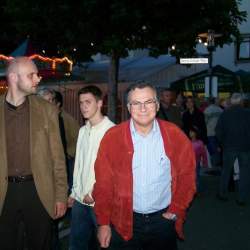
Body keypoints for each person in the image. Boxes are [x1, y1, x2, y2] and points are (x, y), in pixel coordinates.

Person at [93, 82, 196, 250]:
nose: (142, 108)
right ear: (128, 107)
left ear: (156, 105)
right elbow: (103, 184)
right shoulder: (112, 138)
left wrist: (176, 208)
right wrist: (103, 223)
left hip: (163, 221)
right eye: (136, 103)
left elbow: (187, 176)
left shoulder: (175, 135)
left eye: (148, 102)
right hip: (124, 220)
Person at [0, 57, 68, 249]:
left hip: (38, 192)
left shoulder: (47, 110)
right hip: (4, 193)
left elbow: (58, 157)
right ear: (13, 77)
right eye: (32, 75)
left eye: (37, 74)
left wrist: (60, 195)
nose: (38, 79)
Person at [68, 85, 115, 250]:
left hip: (100, 203)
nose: (83, 106)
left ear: (100, 103)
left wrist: (94, 191)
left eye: (88, 102)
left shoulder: (112, 131)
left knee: (103, 245)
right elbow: (78, 164)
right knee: (76, 245)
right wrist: (74, 192)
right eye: (81, 103)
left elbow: (113, 171)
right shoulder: (82, 130)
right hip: (80, 201)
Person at [216, 93, 250, 205]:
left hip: (229, 147)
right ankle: (241, 198)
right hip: (245, 147)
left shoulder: (225, 113)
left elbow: (218, 131)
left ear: (231, 102)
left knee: (226, 171)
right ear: (241, 102)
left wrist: (222, 144)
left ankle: (222, 194)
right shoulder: (247, 113)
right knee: (244, 173)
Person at [203, 97, 223, 167]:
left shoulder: (207, 110)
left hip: (210, 132)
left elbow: (204, 122)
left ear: (209, 102)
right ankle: (219, 162)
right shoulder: (220, 109)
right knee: (218, 148)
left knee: (212, 149)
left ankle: (215, 164)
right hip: (219, 133)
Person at [189, 126, 208, 192]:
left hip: (196, 163)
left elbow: (204, 154)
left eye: (192, 132)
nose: (190, 133)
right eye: (190, 132)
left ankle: (197, 189)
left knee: (196, 176)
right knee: (191, 176)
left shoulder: (200, 143)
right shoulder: (187, 142)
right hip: (189, 163)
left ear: (196, 133)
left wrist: (205, 162)